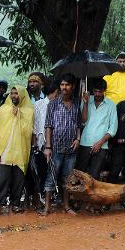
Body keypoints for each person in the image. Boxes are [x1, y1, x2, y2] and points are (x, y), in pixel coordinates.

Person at [0, 86, 34, 215]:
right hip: (5, 149)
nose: (14, 96)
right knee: (1, 179)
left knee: (18, 180)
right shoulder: (3, 109)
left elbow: (28, 132)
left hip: (21, 151)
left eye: (17, 93)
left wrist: (19, 115)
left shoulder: (29, 111)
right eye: (12, 93)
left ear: (22, 95)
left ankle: (14, 206)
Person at [43, 73, 81, 216]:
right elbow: (48, 126)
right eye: (62, 85)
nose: (64, 87)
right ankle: (47, 207)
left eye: (67, 85)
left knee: (67, 179)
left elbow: (79, 124)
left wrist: (78, 138)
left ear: (73, 86)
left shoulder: (77, 103)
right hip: (55, 148)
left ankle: (66, 206)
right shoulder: (53, 104)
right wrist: (48, 147)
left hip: (71, 149)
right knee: (51, 177)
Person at [27, 82, 59, 208]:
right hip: (41, 145)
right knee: (41, 172)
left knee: (51, 172)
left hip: (53, 144)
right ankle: (39, 198)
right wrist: (34, 145)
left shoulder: (57, 105)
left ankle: (47, 198)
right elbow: (35, 127)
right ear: (55, 91)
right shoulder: (39, 104)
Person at [79, 78, 117, 180]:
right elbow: (83, 120)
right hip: (85, 142)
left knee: (94, 176)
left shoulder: (111, 105)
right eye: (95, 91)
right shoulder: (86, 100)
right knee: (80, 173)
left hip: (102, 145)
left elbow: (113, 129)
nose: (97, 94)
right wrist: (86, 103)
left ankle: (92, 196)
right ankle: (79, 196)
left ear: (104, 91)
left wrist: (99, 143)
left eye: (100, 91)